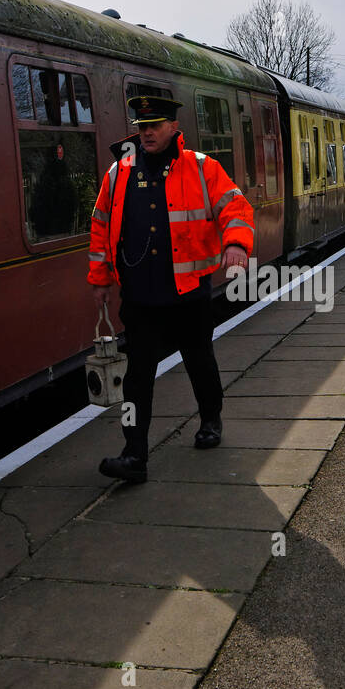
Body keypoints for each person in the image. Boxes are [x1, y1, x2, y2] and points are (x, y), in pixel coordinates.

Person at [87, 91, 254, 483]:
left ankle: (210, 418)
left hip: (187, 292)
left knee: (200, 362)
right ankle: (134, 455)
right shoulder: (118, 173)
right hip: (141, 296)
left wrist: (235, 245)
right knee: (137, 378)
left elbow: (236, 207)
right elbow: (99, 226)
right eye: (141, 127)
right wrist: (100, 279)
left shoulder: (201, 168)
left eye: (154, 126)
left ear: (173, 127)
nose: (146, 133)